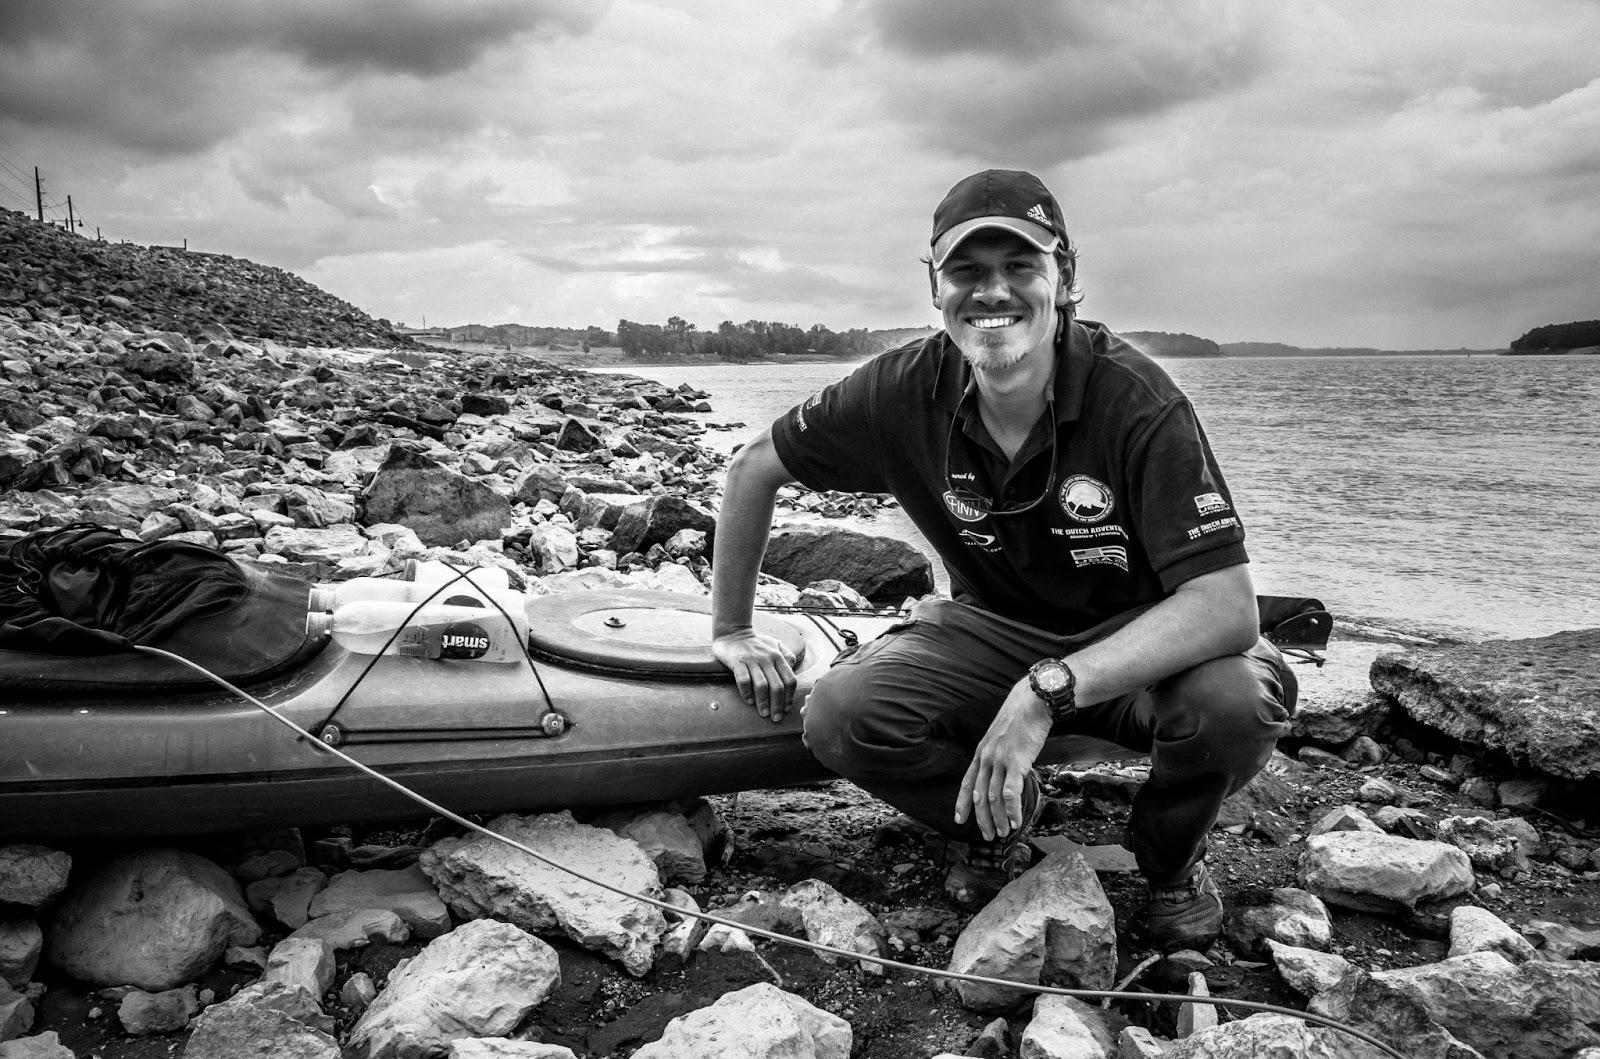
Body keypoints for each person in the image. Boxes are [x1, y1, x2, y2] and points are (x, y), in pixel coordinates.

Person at [710, 169, 1297, 951]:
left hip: (1146, 646)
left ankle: (1171, 862)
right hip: (996, 630)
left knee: (1233, 703)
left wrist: (1044, 692)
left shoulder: (1139, 402)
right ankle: (999, 818)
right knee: (842, 713)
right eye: (967, 271)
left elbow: (1226, 606)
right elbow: (754, 466)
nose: (993, 292)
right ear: (935, 287)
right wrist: (733, 629)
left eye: (1020, 266)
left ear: (1067, 277)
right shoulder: (899, 391)